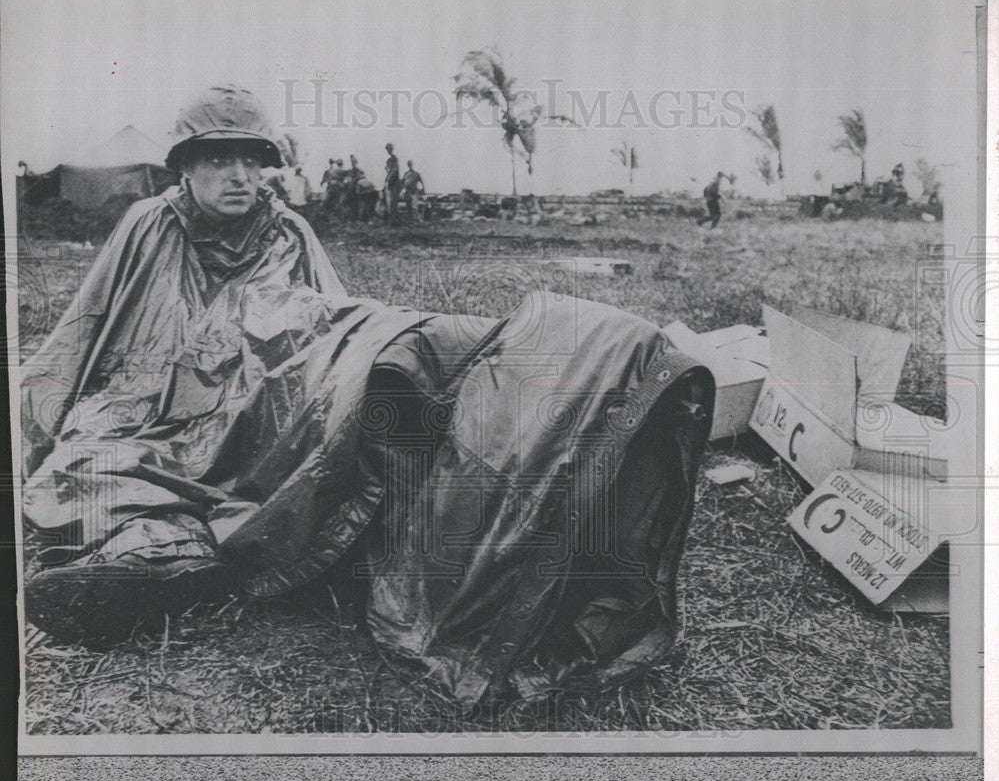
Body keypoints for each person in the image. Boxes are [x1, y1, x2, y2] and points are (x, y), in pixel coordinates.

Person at [21, 84, 715, 705]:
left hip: (263, 391)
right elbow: (90, 335)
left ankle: (586, 362)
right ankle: (164, 561)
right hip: (157, 398)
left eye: (250, 160)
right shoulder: (150, 224)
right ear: (185, 165)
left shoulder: (286, 228)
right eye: (217, 159)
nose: (239, 175)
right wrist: (60, 415)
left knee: (377, 385)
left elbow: (328, 330)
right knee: (104, 462)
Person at [383, 142, 401, 222]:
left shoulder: (394, 159)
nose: (388, 150)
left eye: (389, 148)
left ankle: (394, 220)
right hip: (390, 182)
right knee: (389, 201)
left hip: (394, 183)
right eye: (387, 149)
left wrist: (389, 180)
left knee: (393, 201)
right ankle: (391, 219)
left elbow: (394, 171)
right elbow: (388, 171)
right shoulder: (389, 160)